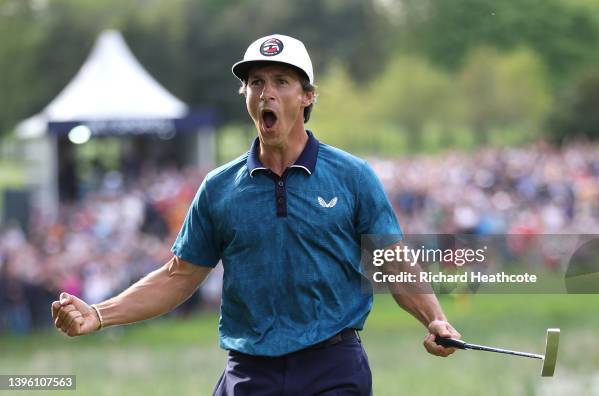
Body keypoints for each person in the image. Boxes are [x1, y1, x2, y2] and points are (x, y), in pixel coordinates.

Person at [51, 34, 461, 395]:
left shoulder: (353, 177)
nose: (266, 92)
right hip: (249, 373)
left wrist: (436, 319)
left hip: (332, 370)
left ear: (307, 95)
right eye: (256, 82)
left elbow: (391, 262)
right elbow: (178, 277)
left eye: (281, 81)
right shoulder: (218, 188)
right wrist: (100, 314)